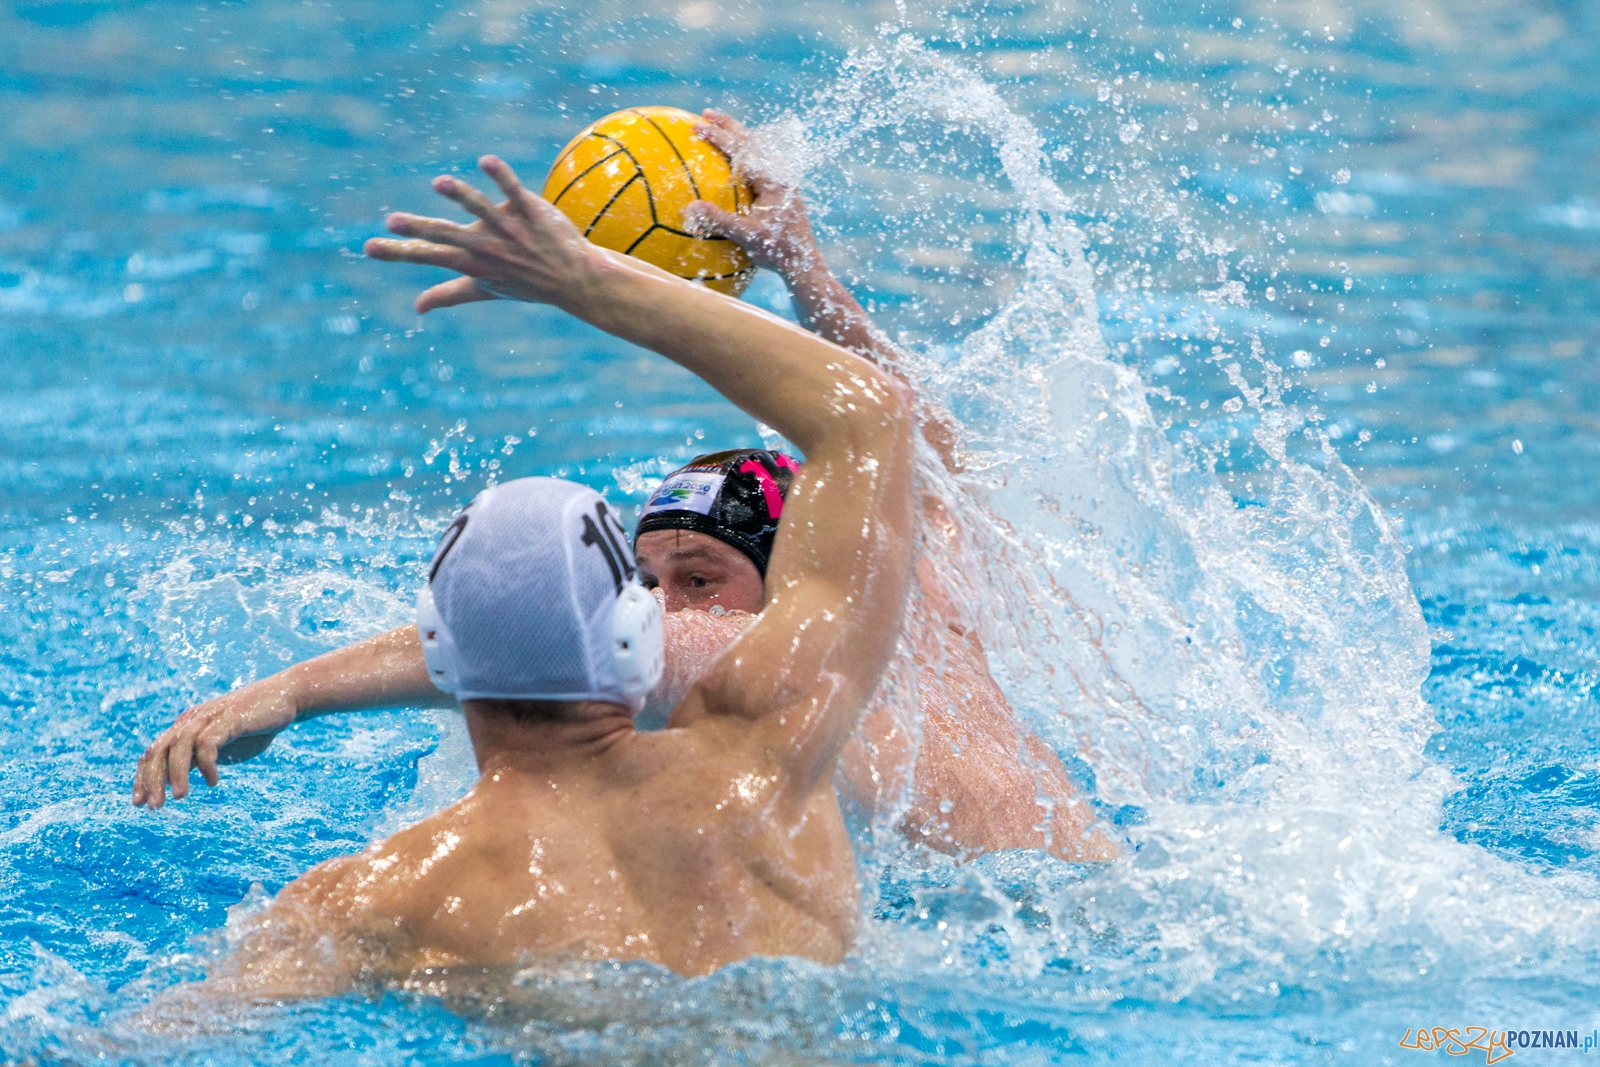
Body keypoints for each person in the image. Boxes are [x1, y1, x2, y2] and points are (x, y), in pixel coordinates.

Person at [132, 110, 1113, 863]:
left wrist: (286, 692)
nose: (664, 608)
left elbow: (543, 632)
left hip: (1047, 924)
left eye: (700, 575)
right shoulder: (916, 610)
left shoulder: (780, 660)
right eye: (647, 578)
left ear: (790, 570)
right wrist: (802, 273)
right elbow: (916, 446)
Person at [151, 150, 914, 992]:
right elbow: (869, 414)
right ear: (635, 637)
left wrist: (293, 691)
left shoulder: (375, 896)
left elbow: (160, 1036)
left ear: (442, 655)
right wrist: (582, 280)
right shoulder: (770, 752)